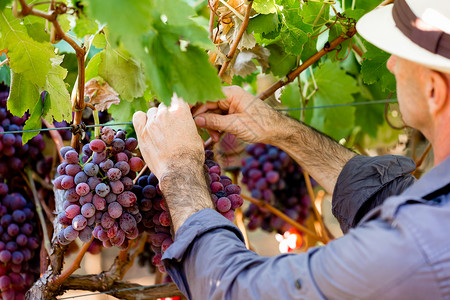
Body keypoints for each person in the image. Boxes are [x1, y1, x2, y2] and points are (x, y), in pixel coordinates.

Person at [133, 0, 450, 298]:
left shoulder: (418, 248)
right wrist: (281, 130)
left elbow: (233, 291)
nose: (391, 64)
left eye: (401, 54)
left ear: (434, 90)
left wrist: (180, 168)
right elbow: (390, 198)